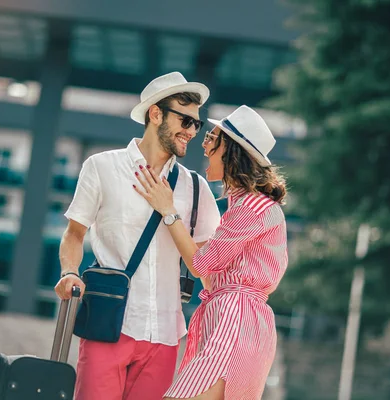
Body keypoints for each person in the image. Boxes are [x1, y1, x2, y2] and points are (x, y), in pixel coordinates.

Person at [54, 72, 221, 400]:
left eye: (195, 125)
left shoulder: (196, 188)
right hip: (108, 323)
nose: (190, 131)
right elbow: (74, 234)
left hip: (165, 335)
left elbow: (206, 266)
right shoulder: (101, 167)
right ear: (155, 114)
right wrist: (69, 272)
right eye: (184, 120)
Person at [133, 105, 289, 400]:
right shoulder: (247, 206)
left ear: (231, 149)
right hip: (236, 319)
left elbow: (200, 265)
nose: (204, 147)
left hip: (235, 319)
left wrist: (168, 210)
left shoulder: (252, 207)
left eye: (211, 138)